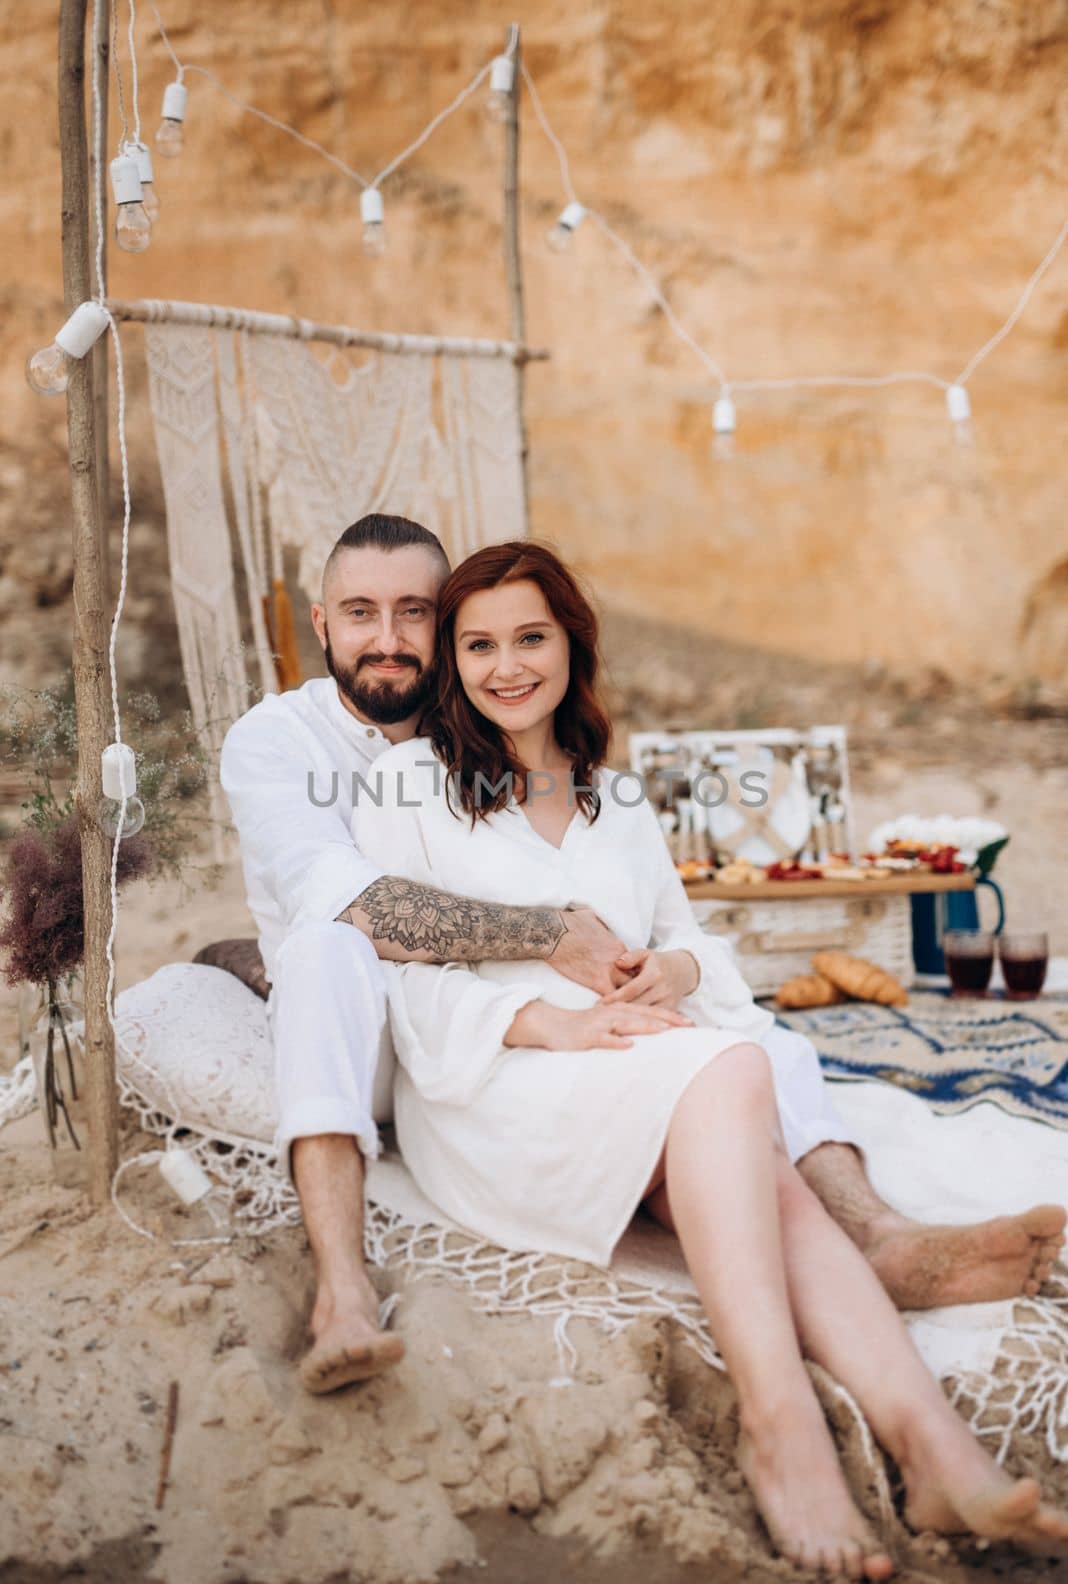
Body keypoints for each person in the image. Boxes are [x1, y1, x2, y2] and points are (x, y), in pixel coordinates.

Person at [220, 514, 1063, 1397]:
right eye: (360, 613)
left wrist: (671, 974)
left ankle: (877, 1234)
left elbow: (661, 913)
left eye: (414, 614)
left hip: (518, 1021)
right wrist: (552, 938)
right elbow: (349, 904)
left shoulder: (500, 730)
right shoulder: (281, 742)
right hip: (371, 1035)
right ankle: (342, 1291)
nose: (388, 640)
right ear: (321, 625)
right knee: (325, 947)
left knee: (741, 1040)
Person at [354, 540, 1068, 1576]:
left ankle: (932, 1448)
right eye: (479, 644)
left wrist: (677, 975)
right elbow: (392, 953)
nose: (507, 665)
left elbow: (693, 938)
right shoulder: (410, 784)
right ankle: (780, 1423)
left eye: (530, 637)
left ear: (570, 644)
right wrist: (549, 1024)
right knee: (735, 1075)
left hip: (641, 1070)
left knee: (752, 1135)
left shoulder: (616, 798)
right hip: (500, 1089)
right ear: (451, 662)